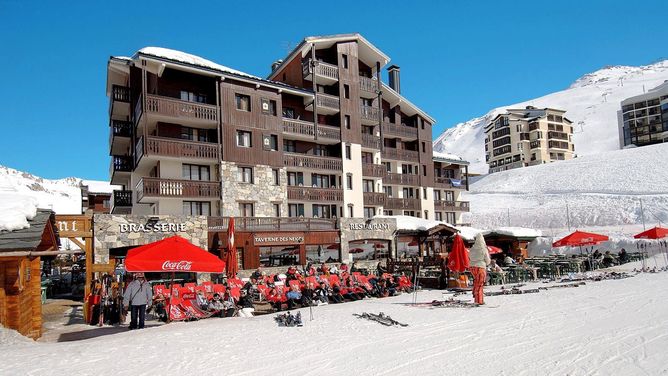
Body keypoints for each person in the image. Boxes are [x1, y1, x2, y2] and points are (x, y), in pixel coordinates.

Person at [469, 233, 491, 305]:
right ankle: (479, 300)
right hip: (480, 267)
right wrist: (487, 263)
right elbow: (487, 260)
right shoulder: (483, 249)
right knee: (480, 284)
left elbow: (469, 257)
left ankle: (475, 295)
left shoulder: (472, 248)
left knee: (476, 282)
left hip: (472, 267)